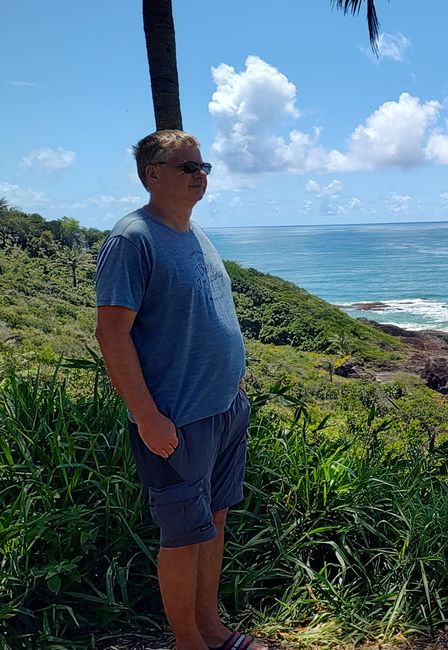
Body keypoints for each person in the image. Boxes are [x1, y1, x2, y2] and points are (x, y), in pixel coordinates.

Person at [95, 130, 266, 650]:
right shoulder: (133, 239)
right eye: (187, 166)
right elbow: (111, 333)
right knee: (184, 533)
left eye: (203, 165)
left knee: (213, 520)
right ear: (153, 174)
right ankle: (187, 641)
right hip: (176, 415)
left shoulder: (194, 232)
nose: (200, 174)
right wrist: (147, 416)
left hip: (222, 408)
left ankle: (211, 629)